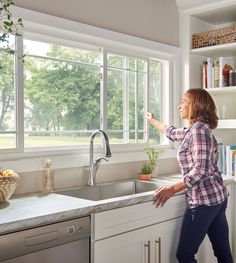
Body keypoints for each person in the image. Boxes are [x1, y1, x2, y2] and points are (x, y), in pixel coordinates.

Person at [146, 88, 233, 263]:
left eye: (184, 101)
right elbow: (171, 132)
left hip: (203, 201)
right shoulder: (195, 129)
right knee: (223, 253)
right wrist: (152, 120)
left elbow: (200, 170)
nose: (180, 105)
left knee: (184, 254)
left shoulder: (198, 131)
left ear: (196, 105)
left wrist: (172, 189)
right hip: (217, 198)